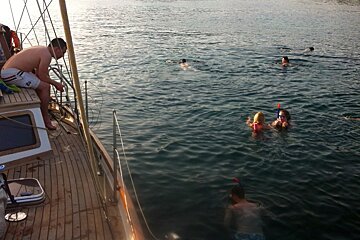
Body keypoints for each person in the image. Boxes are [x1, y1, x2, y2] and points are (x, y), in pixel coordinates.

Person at [1, 38, 66, 130]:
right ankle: (46, 119)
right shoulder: (46, 55)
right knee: (45, 87)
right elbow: (43, 76)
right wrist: (56, 84)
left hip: (10, 72)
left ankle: (41, 112)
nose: (62, 56)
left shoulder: (42, 50)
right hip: (11, 74)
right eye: (63, 53)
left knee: (42, 84)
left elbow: (41, 74)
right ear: (56, 49)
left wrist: (48, 81)